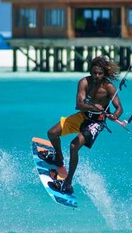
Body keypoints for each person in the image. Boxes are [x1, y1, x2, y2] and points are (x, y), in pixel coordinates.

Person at [41, 56, 124, 195]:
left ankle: (67, 183)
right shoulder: (84, 82)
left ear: (104, 73)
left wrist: (115, 115)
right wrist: (95, 107)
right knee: (52, 133)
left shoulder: (109, 87)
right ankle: (59, 158)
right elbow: (79, 105)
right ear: (90, 71)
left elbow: (119, 108)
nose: (96, 76)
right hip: (83, 116)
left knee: (74, 146)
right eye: (94, 73)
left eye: (100, 73)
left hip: (96, 122)